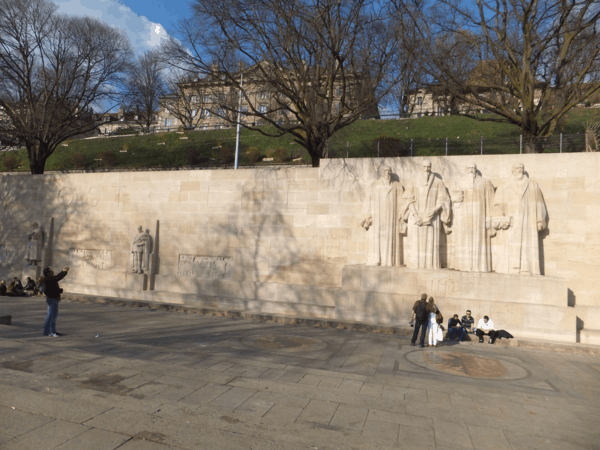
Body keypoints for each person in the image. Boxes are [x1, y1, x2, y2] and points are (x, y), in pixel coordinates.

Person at [493, 162, 548, 275]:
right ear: (512, 170)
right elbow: (497, 205)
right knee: (510, 244)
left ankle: (527, 268)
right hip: (511, 221)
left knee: (527, 246)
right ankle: (511, 268)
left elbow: (539, 203)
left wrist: (539, 219)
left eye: (521, 168)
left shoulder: (532, 185)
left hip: (528, 220)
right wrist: (501, 220)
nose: (519, 170)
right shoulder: (505, 185)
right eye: (516, 168)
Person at [402, 160, 451, 269]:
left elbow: (443, 199)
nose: (426, 169)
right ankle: (414, 265)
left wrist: (434, 210)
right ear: (421, 167)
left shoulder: (438, 182)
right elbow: (408, 200)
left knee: (430, 245)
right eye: (424, 166)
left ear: (431, 167)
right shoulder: (413, 181)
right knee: (415, 244)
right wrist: (415, 215)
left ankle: (431, 265)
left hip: (432, 217)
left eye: (428, 167)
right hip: (415, 216)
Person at [447, 162, 496, 272]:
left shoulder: (485, 182)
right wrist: (455, 200)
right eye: (468, 168)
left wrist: (490, 218)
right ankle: (463, 265)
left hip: (480, 216)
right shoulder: (459, 182)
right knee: (463, 239)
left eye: (473, 168)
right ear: (465, 169)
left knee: (480, 240)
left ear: (476, 170)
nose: (471, 170)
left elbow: (490, 201)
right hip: (463, 216)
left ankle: (480, 266)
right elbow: (451, 199)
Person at [361, 166, 405, 266]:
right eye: (385, 171)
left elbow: (402, 202)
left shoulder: (397, 186)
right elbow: (368, 201)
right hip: (378, 217)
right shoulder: (374, 185)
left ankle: (390, 261)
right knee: (377, 238)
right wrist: (367, 215)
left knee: (390, 238)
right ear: (382, 173)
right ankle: (376, 259)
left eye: (389, 171)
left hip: (392, 217)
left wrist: (401, 217)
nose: (387, 173)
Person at [42, 266, 70, 337]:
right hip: (52, 299)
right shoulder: (49, 279)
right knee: (52, 316)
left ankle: (47, 332)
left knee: (50, 315)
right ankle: (52, 332)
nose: (52, 271)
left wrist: (63, 271)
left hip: (51, 298)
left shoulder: (49, 279)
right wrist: (64, 272)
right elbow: (57, 278)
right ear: (48, 273)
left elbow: (56, 278)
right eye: (51, 271)